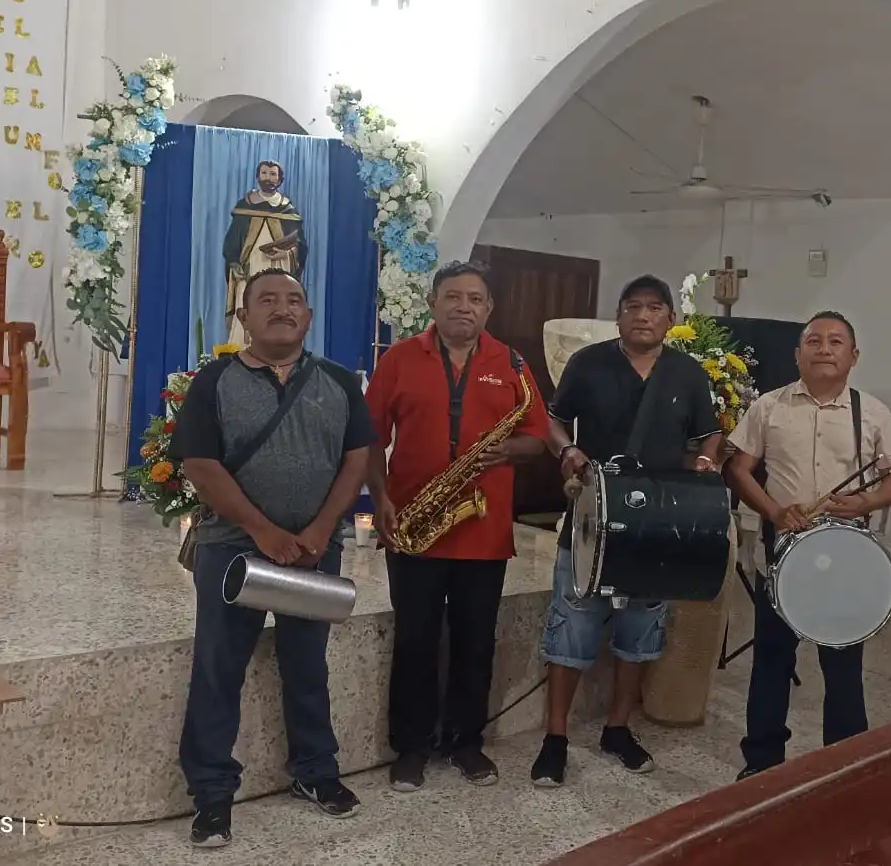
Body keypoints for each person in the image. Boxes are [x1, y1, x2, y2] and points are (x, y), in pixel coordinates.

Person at [171, 269, 372, 847]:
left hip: (312, 550)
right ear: (244, 316)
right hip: (234, 548)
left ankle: (316, 773)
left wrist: (319, 528)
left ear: (308, 316)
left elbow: (357, 457)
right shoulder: (213, 382)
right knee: (218, 668)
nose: (283, 309)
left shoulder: (337, 381)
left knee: (308, 666)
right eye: (268, 300)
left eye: (294, 300)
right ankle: (211, 795)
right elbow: (200, 465)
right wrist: (261, 531)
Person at [365, 260, 550, 791]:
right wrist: (380, 498)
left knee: (475, 644)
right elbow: (371, 439)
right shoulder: (399, 359)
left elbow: (536, 437)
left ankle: (467, 743)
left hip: (482, 531)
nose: (462, 306)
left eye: (474, 298)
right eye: (452, 296)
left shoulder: (512, 363)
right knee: (415, 642)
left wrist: (506, 449)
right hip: (413, 525)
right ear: (433, 302)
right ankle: (411, 748)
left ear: (489, 308)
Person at [532, 274, 724, 787]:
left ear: (670, 319)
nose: (643, 315)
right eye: (633, 306)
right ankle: (555, 738)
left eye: (654, 307)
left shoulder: (686, 374)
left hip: (658, 525)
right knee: (570, 628)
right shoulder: (589, 364)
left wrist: (706, 462)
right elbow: (550, 420)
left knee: (640, 634)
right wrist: (566, 450)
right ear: (618, 315)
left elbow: (710, 434)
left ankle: (618, 729)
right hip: (592, 516)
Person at [723, 310, 891, 781]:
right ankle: (761, 763)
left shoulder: (872, 412)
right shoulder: (769, 406)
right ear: (797, 353)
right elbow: (739, 469)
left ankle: (843, 765)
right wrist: (773, 511)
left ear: (853, 356)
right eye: (814, 341)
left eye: (835, 342)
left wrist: (863, 501)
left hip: (846, 559)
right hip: (783, 556)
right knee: (771, 661)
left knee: (844, 666)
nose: (824, 349)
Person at [223, 160, 307, 346]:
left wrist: (287, 254)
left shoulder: (288, 209)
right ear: (257, 176)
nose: (268, 178)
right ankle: (242, 350)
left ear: (280, 179)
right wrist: (234, 263)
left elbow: (300, 244)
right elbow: (231, 243)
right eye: (264, 173)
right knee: (249, 304)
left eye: (272, 174)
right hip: (250, 268)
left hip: (280, 267)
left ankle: (279, 348)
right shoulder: (245, 206)